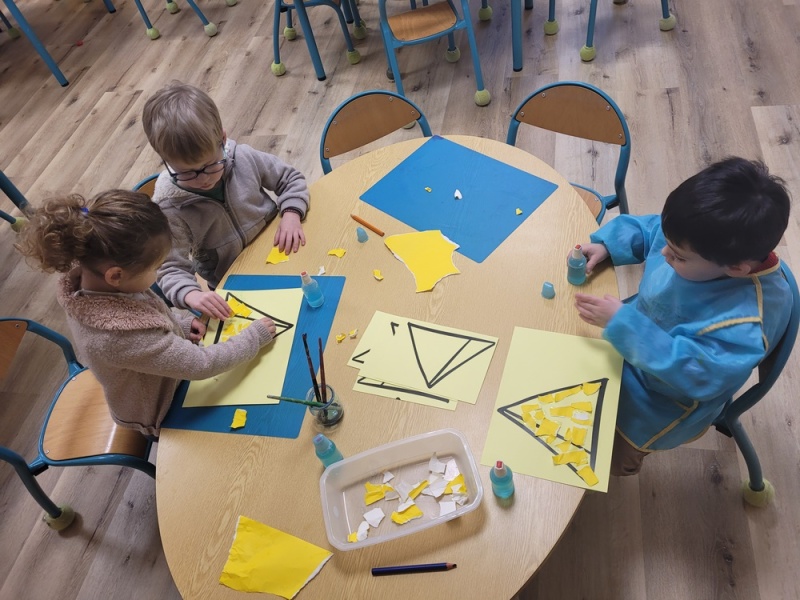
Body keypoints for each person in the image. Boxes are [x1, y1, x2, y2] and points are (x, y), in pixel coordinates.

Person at [573, 157, 793, 476]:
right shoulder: (697, 242)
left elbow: (694, 373)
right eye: (670, 243)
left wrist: (624, 325)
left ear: (736, 268)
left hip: (656, 403)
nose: (664, 253)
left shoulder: (745, 325)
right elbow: (654, 231)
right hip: (627, 341)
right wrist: (610, 245)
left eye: (677, 256)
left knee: (601, 458)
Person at [15, 190, 277, 438]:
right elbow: (201, 365)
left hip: (165, 375)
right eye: (156, 267)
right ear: (116, 275)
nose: (158, 273)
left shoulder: (96, 280)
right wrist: (252, 338)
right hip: (161, 408)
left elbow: (148, 311)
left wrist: (181, 324)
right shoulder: (118, 336)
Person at [142, 82, 309, 321]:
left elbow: (289, 178)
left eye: (210, 165)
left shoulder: (243, 157)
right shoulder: (169, 207)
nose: (203, 179)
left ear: (222, 139)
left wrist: (291, 212)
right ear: (166, 161)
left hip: (283, 250)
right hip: (233, 283)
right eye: (187, 172)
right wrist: (191, 294)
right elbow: (170, 268)